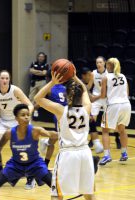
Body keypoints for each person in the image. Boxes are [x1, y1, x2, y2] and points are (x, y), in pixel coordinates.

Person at [34, 71, 96, 200]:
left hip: (68, 155)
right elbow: (84, 90)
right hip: (85, 154)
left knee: (57, 195)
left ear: (67, 95)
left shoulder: (60, 110)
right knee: (89, 195)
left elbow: (37, 98)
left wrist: (52, 82)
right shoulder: (87, 108)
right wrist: (75, 77)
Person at [0, 104, 57, 200]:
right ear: (16, 118)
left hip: (35, 164)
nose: (26, 117)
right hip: (15, 165)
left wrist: (62, 134)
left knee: (55, 185)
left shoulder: (35, 130)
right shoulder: (9, 133)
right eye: (23, 115)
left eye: (28, 115)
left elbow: (51, 134)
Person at [98, 58, 131, 165]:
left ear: (108, 66)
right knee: (122, 129)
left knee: (105, 130)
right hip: (126, 104)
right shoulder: (123, 76)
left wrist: (94, 96)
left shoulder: (105, 77)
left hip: (114, 105)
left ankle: (107, 155)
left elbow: (103, 95)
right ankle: (124, 153)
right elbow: (127, 93)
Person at [88, 56, 121, 149]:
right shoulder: (93, 73)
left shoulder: (109, 73)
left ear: (104, 63)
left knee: (112, 119)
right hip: (96, 96)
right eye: (97, 62)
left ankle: (117, 138)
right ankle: (92, 139)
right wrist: (88, 93)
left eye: (100, 62)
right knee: (92, 119)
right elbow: (89, 86)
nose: (98, 64)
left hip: (107, 97)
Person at [81, 67, 104, 153]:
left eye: (91, 75)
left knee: (92, 123)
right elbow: (86, 89)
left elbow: (91, 99)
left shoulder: (86, 86)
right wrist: (91, 81)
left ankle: (97, 144)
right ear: (83, 76)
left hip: (85, 111)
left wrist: (101, 95)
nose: (91, 77)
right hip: (76, 111)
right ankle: (47, 141)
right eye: (89, 75)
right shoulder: (79, 83)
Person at [28, 52, 49, 117]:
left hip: (42, 82)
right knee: (31, 97)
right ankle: (30, 111)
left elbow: (44, 73)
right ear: (37, 57)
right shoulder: (34, 63)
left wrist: (36, 71)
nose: (41, 58)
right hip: (34, 82)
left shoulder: (46, 64)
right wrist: (40, 72)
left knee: (40, 97)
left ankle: (36, 110)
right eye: (39, 56)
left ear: (44, 58)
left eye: (42, 57)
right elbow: (31, 70)